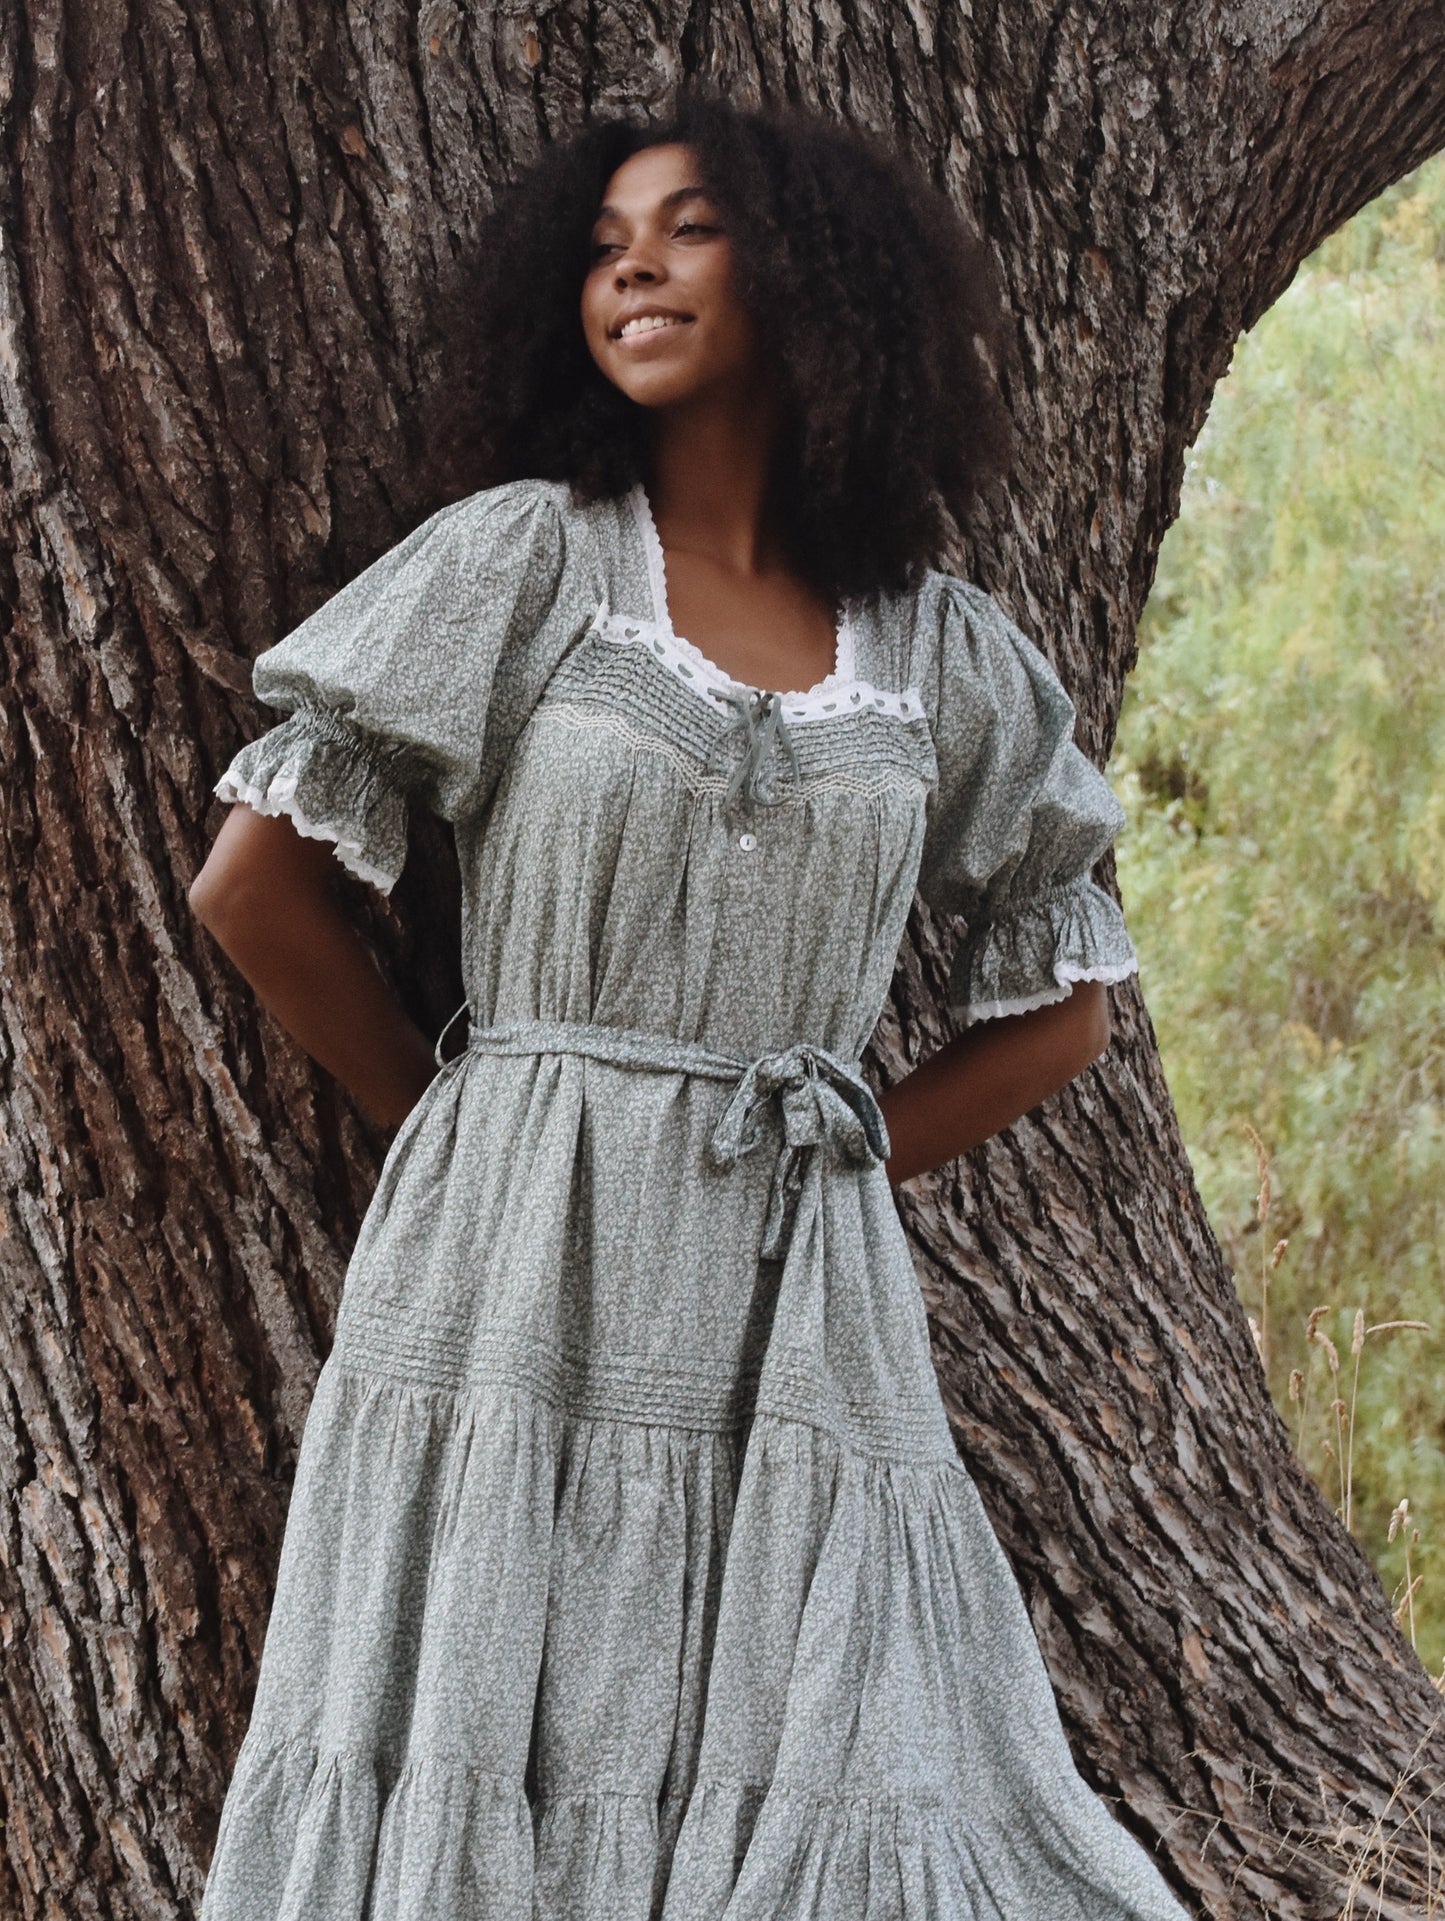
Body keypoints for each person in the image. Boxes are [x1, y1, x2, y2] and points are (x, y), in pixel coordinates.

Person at [188, 85, 1189, 1921]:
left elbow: (1063, 1008)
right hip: (511, 1245)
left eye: (689, 226)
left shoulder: (940, 650)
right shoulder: (525, 561)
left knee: (812, 1709)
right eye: (600, 245)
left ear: (817, 276)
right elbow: (256, 886)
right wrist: (466, 1122)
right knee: (501, 1681)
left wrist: (861, 1148)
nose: (631, 264)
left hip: (793, 1279)